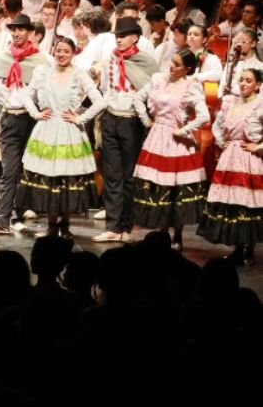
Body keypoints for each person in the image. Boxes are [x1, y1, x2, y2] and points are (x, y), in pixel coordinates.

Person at [17, 36, 104, 238]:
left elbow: (99, 101)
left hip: (68, 131)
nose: (61, 54)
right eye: (58, 50)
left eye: (66, 51)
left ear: (73, 53)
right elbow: (25, 95)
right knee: (48, 177)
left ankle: (65, 224)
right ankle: (50, 225)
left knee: (66, 178)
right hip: (46, 130)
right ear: (53, 52)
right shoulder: (42, 73)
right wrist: (36, 114)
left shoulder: (79, 74)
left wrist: (81, 118)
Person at [131, 49, 210, 250]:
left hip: (177, 140)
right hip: (157, 136)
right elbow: (137, 99)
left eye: (176, 64)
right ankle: (162, 232)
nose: (171, 67)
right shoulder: (159, 79)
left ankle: (178, 235)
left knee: (177, 187)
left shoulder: (191, 86)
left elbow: (204, 116)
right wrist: (146, 120)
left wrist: (184, 130)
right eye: (171, 62)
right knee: (159, 185)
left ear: (187, 69)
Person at [91, 17, 161, 243]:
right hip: (111, 117)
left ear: (135, 38)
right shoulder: (110, 58)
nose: (118, 40)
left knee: (129, 175)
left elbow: (153, 91)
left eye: (123, 36)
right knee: (112, 174)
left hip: (132, 121)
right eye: (116, 36)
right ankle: (113, 225)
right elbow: (106, 87)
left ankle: (126, 227)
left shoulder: (145, 61)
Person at [0, 13, 51, 235]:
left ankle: (18, 215)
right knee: (9, 170)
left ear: (30, 33)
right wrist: (5, 102)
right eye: (14, 29)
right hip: (10, 118)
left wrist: (37, 106)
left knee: (29, 169)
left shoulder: (41, 59)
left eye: (21, 29)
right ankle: (2, 220)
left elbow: (48, 88)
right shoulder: (4, 58)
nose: (17, 33)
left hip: (31, 119)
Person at [198, 66, 263, 264]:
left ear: (258, 85)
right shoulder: (230, 102)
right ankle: (237, 247)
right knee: (231, 204)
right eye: (241, 79)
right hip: (230, 158)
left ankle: (249, 248)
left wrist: (258, 147)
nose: (243, 83)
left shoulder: (260, 105)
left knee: (247, 202)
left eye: (248, 80)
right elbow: (217, 126)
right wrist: (221, 141)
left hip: (249, 160)